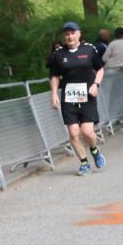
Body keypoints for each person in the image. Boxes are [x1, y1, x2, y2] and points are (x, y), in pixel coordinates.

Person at [50, 21, 107, 176]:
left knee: (87, 132)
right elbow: (54, 76)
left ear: (79, 34)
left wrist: (96, 84)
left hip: (87, 96)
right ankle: (84, 163)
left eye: (72, 33)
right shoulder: (59, 54)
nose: (70, 36)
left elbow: (100, 69)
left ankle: (94, 151)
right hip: (69, 98)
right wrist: (54, 94)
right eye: (67, 34)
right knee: (74, 133)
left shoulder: (89, 49)